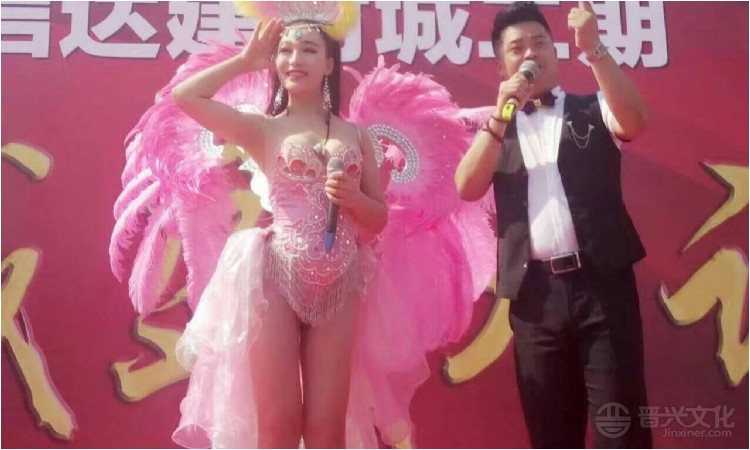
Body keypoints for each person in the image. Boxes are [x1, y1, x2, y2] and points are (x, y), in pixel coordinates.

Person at [108, 1, 496, 448]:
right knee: (278, 424)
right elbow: (186, 98)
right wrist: (245, 60)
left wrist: (354, 200)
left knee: (326, 426)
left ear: (329, 63)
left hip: (342, 279)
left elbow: (377, 220)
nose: (296, 59)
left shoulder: (356, 135)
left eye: (309, 50)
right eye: (286, 51)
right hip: (276, 276)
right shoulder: (262, 129)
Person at [455, 1, 652, 447]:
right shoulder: (495, 128)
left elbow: (636, 121)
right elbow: (466, 185)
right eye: (517, 47)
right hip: (535, 299)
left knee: (621, 430)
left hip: (602, 287)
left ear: (556, 51)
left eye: (539, 42)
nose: (530, 53)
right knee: (551, 434)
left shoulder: (593, 107)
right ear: (501, 64)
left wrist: (595, 48)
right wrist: (500, 116)